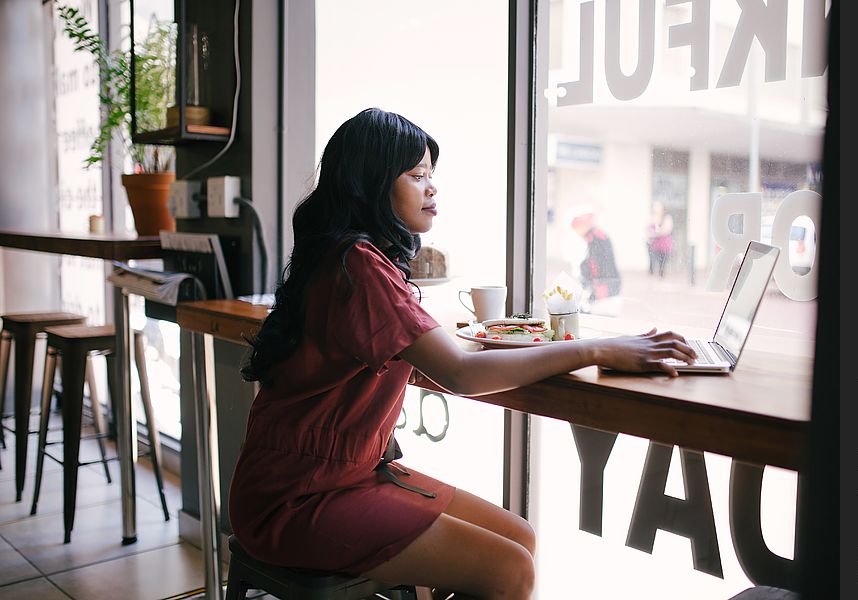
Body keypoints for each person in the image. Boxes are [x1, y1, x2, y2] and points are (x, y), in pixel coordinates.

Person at [230, 108, 696, 600]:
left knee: (520, 540)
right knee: (509, 568)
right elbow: (461, 373)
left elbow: (428, 357)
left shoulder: (350, 257)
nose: (432, 188)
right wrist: (597, 348)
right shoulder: (358, 265)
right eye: (417, 175)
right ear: (369, 184)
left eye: (432, 176)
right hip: (300, 494)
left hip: (336, 473)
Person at [571, 212, 622, 303]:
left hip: (605, 280)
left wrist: (595, 282)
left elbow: (597, 261)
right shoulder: (594, 235)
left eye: (577, 229)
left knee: (603, 307)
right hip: (606, 279)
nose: (577, 233)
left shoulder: (594, 237)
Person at [646, 201, 674, 278]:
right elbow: (648, 228)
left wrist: (655, 233)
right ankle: (655, 274)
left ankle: (661, 275)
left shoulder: (667, 218)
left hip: (664, 244)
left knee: (663, 263)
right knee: (654, 261)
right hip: (655, 244)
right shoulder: (653, 218)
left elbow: (666, 230)